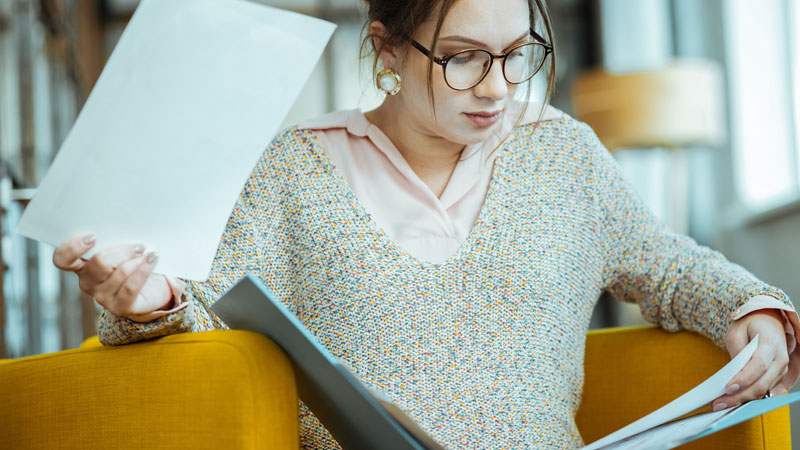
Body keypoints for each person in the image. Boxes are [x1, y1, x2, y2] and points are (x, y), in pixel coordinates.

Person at [52, 0, 799, 448]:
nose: (498, 87)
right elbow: (214, 326)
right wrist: (150, 300)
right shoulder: (295, 169)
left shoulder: (561, 153)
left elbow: (666, 264)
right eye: (463, 59)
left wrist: (755, 310)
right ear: (385, 49)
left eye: (516, 56)